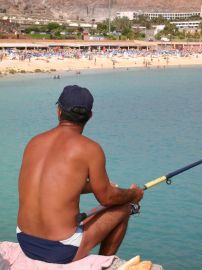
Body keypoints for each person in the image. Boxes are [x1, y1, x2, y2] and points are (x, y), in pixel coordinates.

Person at [17, 85, 144, 264]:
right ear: (90, 116)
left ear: (58, 111)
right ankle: (103, 264)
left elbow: (51, 185)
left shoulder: (34, 142)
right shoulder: (91, 149)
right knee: (125, 207)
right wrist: (134, 194)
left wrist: (92, 186)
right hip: (60, 250)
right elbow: (107, 199)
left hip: (25, 241)